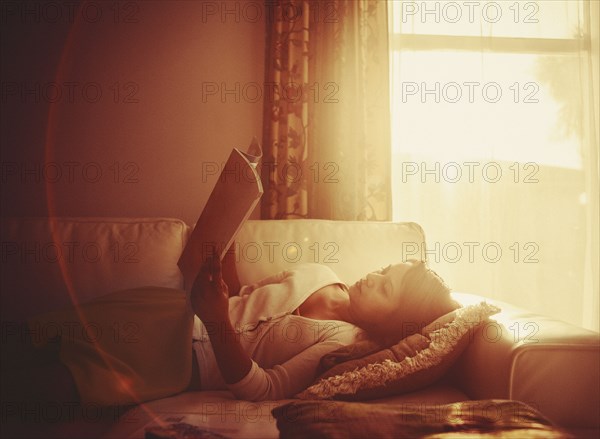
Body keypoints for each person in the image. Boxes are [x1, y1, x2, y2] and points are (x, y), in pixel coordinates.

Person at [4, 255, 458, 407]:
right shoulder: (320, 269)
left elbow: (263, 389)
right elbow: (244, 292)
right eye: (383, 268)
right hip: (165, 312)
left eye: (386, 286)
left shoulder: (342, 344)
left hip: (179, 361)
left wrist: (219, 321)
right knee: (34, 335)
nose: (373, 276)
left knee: (50, 384)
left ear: (395, 321)